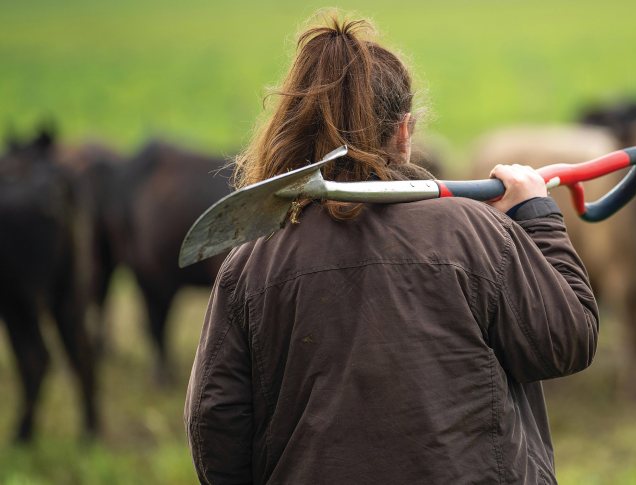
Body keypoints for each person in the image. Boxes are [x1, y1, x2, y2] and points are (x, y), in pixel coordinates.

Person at [185, 12, 598, 484]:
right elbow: (568, 340)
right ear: (404, 131)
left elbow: (215, 422)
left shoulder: (251, 263)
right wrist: (538, 217)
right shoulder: (475, 232)